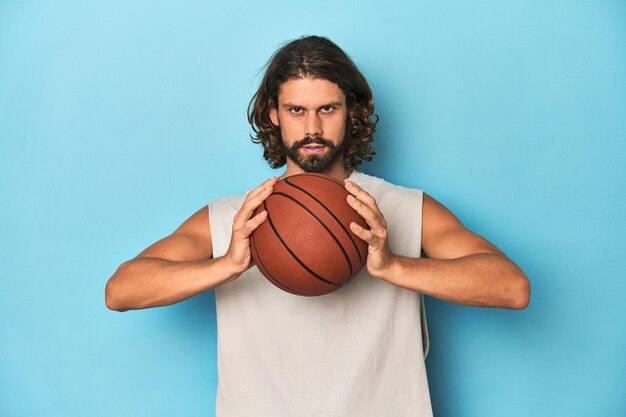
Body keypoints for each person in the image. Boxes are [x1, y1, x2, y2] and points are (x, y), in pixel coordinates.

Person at [105, 35, 530, 416]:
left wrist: (392, 265)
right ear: (273, 114)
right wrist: (228, 264)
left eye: (327, 108)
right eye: (296, 110)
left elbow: (512, 288)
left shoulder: (402, 208)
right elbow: (121, 290)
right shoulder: (233, 218)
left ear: (352, 111)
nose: (312, 127)